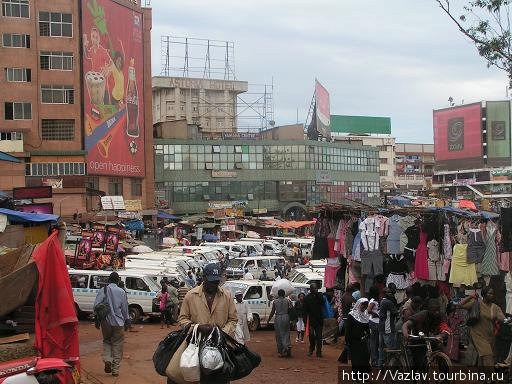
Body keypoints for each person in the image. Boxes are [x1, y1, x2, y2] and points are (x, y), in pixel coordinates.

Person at [178, 262, 238, 384]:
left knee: (221, 378)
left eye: (217, 282)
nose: (214, 285)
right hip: (197, 346)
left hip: (221, 346)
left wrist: (220, 332)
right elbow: (183, 319)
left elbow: (233, 320)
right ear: (204, 278)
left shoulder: (227, 296)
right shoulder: (191, 296)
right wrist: (197, 328)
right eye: (211, 281)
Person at [93, 272, 130, 377]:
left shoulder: (103, 290)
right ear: (118, 280)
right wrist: (127, 321)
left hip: (106, 322)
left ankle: (108, 360)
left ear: (109, 280)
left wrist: (97, 320)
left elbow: (96, 306)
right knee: (118, 344)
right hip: (119, 322)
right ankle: (115, 370)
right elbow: (124, 309)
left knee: (107, 341)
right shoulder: (122, 292)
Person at [459, 286, 505, 368]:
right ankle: (490, 377)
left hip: (489, 335)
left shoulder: (495, 307)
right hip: (477, 334)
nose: (492, 295)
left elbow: (502, 317)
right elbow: (460, 305)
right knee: (487, 354)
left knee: (483, 356)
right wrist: (471, 296)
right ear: (483, 294)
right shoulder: (476, 303)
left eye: (493, 294)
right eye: (489, 293)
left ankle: (482, 376)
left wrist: (506, 320)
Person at [402, 299, 450, 369]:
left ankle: (445, 378)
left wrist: (441, 335)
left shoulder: (441, 316)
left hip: (430, 340)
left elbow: (445, 328)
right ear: (429, 310)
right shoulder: (422, 315)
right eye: (434, 310)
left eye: (438, 310)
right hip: (417, 340)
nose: (436, 312)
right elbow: (406, 324)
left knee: (442, 354)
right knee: (418, 363)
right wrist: (405, 333)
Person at [345, 298, 371, 374]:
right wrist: (347, 341)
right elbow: (348, 328)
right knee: (356, 359)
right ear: (359, 305)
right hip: (354, 341)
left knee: (365, 357)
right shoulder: (352, 315)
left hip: (362, 340)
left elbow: (367, 328)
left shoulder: (365, 315)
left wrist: (367, 335)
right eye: (363, 306)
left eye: (366, 307)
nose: (364, 308)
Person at [267, 289, 293, 357]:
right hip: (286, 316)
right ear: (284, 294)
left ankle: (282, 350)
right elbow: (291, 309)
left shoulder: (275, 301)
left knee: (279, 334)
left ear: (278, 294)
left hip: (278, 317)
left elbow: (272, 311)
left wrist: (268, 320)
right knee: (286, 332)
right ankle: (287, 346)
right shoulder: (288, 300)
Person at [378, 287, 398, 368]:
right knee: (391, 348)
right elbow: (396, 313)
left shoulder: (382, 301)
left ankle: (381, 365)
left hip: (381, 328)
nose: (390, 294)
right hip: (388, 328)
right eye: (388, 293)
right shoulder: (388, 302)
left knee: (381, 347)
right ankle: (391, 366)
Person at [304, 282, 324, 358]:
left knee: (319, 337)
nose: (316, 289)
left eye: (316, 288)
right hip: (311, 320)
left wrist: (317, 295)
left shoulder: (320, 296)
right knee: (311, 336)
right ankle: (311, 349)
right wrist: (305, 321)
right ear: (311, 289)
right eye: (314, 288)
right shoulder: (307, 298)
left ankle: (319, 352)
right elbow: (305, 311)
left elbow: (322, 302)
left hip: (319, 320)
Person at [367, 286, 380, 367]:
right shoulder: (373, 301)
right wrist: (375, 314)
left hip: (374, 322)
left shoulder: (373, 300)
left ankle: (374, 359)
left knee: (374, 342)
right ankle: (374, 360)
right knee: (374, 342)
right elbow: (369, 310)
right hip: (374, 322)